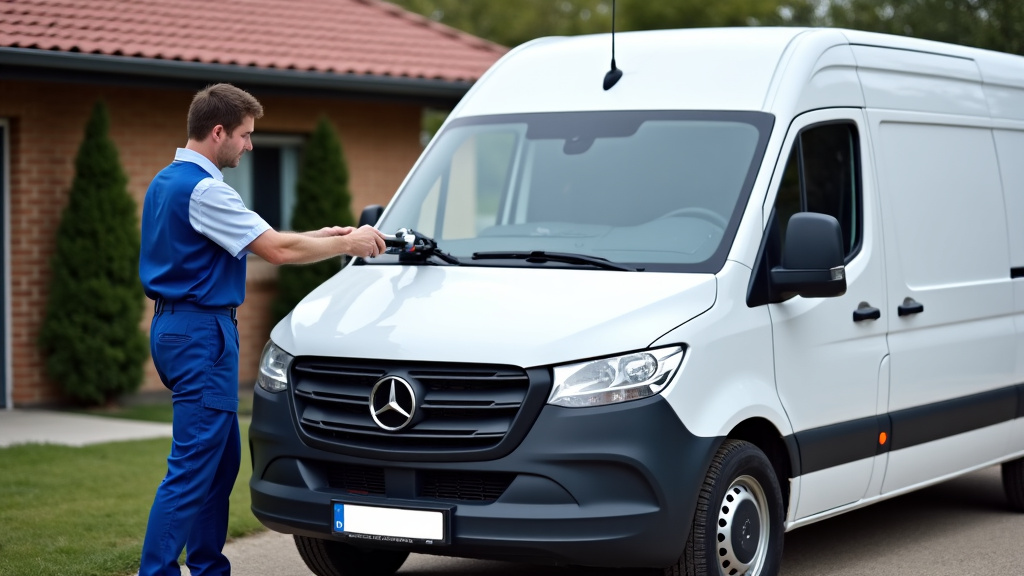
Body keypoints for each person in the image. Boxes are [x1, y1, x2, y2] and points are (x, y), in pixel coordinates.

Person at [137, 83, 386, 576]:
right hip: (202, 336)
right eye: (246, 135)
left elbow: (263, 239)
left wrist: (324, 236)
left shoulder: (167, 181)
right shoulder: (206, 189)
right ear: (218, 131)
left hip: (177, 328)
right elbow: (277, 251)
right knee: (192, 469)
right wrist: (350, 244)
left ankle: (209, 567)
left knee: (219, 461)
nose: (250, 146)